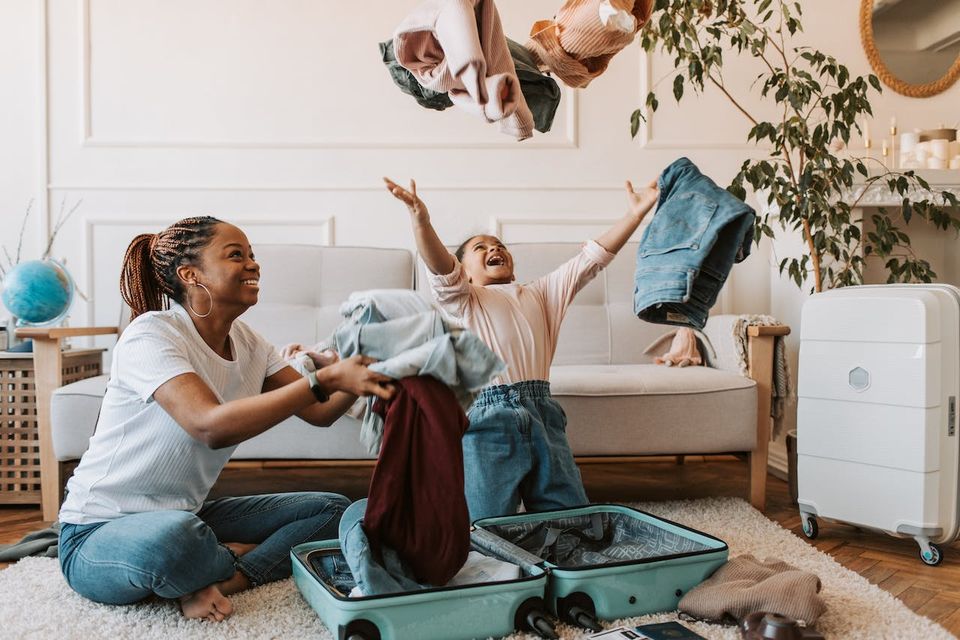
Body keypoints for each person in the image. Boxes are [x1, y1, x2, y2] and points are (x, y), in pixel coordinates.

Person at [57, 216, 394, 622]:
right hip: (96, 532)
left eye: (252, 255)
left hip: (188, 514)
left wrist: (360, 376)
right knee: (174, 540)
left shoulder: (253, 345)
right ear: (191, 275)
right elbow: (209, 425)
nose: (254, 264)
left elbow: (319, 413)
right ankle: (216, 560)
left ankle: (230, 575)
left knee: (331, 509)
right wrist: (322, 379)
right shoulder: (152, 334)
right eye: (237, 255)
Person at [385, 177, 659, 519]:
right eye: (480, 248)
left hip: (544, 414)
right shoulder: (464, 300)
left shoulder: (542, 294)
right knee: (483, 527)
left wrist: (635, 216)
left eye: (498, 243)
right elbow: (440, 266)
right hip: (488, 421)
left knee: (573, 522)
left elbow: (592, 259)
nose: (494, 249)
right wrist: (421, 221)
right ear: (464, 272)